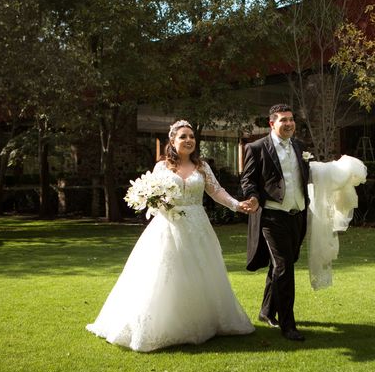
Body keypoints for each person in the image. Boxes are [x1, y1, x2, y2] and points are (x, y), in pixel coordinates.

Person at [86, 120, 255, 352]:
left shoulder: (202, 167)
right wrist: (155, 204)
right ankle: (161, 326)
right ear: (173, 142)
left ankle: (204, 322)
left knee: (200, 273)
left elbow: (216, 192)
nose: (189, 140)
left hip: (197, 226)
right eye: (183, 137)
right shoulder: (162, 167)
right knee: (165, 273)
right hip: (167, 226)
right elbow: (152, 196)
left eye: (192, 137)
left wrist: (237, 205)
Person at [240, 104, 310, 341]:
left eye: (291, 120)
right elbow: (248, 180)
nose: (289, 124)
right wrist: (252, 196)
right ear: (272, 123)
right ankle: (288, 324)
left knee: (282, 264)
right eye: (283, 120)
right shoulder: (257, 148)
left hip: (298, 215)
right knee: (284, 268)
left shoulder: (300, 147)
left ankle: (267, 310)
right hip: (272, 217)